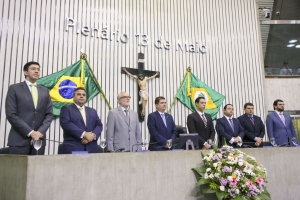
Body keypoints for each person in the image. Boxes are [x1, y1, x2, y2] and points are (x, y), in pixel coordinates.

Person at [5, 61, 53, 155]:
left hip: (39, 141)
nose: (37, 71)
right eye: (33, 69)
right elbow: (11, 114)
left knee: (38, 169)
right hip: (19, 141)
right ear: (25, 72)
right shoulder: (14, 88)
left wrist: (38, 133)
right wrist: (31, 133)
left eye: (38, 69)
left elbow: (49, 114)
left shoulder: (45, 91)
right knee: (17, 169)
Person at [60, 87, 103, 153]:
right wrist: (84, 134)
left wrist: (92, 136)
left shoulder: (92, 111)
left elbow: (99, 125)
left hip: (91, 148)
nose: (81, 96)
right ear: (73, 96)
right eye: (79, 94)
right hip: (74, 148)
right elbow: (66, 124)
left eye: (83, 95)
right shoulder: (66, 109)